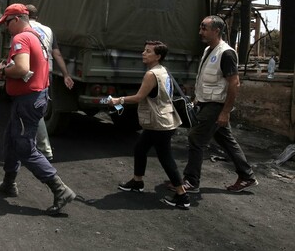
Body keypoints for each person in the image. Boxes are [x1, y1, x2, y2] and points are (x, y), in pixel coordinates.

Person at [0, 3, 75, 215]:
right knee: (11, 140)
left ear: (16, 19)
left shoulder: (21, 38)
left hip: (28, 100)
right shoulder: (37, 36)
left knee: (25, 147)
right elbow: (26, 65)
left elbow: (22, 68)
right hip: (34, 98)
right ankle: (9, 182)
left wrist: (2, 71)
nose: (6, 28)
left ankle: (60, 189)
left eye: (6, 22)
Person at [178, 15, 258, 193]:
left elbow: (234, 83)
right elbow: (206, 80)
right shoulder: (209, 51)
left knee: (196, 138)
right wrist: (196, 98)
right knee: (225, 139)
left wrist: (226, 111)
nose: (201, 32)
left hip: (215, 105)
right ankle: (247, 176)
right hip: (205, 102)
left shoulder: (226, 53)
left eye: (204, 28)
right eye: (200, 28)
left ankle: (191, 182)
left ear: (216, 30)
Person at [109, 41, 189, 209]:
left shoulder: (151, 74)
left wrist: (118, 100)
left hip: (159, 123)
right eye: (144, 50)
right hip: (163, 119)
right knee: (140, 149)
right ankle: (137, 182)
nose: (143, 53)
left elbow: (139, 97)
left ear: (158, 56)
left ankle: (182, 195)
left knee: (166, 158)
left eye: (148, 51)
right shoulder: (163, 70)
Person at [26, 4, 74, 160]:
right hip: (47, 72)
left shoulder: (23, 29)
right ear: (37, 17)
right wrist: (66, 74)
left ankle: (42, 148)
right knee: (37, 107)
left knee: (30, 108)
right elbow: (57, 53)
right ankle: (33, 145)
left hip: (29, 72)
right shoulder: (48, 30)